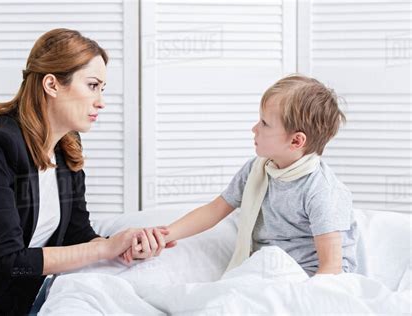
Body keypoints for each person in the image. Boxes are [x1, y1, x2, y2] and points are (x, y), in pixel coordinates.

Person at [0, 28, 174, 315]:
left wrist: (124, 247)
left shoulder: (66, 148)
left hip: (12, 305)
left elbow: (78, 234)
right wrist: (106, 249)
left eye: (102, 89)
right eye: (92, 85)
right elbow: (9, 261)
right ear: (52, 84)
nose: (101, 101)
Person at [122, 74, 358, 277]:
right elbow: (214, 210)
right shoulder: (258, 169)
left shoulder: (321, 190)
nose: (254, 129)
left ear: (296, 141)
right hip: (268, 266)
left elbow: (331, 268)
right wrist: (164, 235)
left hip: (306, 275)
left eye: (265, 123)